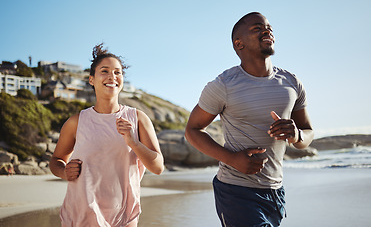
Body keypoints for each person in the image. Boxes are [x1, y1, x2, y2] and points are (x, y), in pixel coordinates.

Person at [185, 12, 314, 227]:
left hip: (275, 192)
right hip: (236, 191)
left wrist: (297, 134)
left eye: (269, 27)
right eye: (257, 28)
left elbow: (307, 134)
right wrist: (232, 159)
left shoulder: (292, 83)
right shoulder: (223, 85)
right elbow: (193, 129)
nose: (267, 30)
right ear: (239, 44)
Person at [50, 43, 164, 227]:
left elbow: (158, 167)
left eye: (118, 72)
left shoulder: (138, 118)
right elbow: (56, 160)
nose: (112, 76)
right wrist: (64, 171)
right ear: (91, 79)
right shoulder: (76, 122)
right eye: (105, 71)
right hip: (80, 215)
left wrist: (133, 142)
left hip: (123, 217)